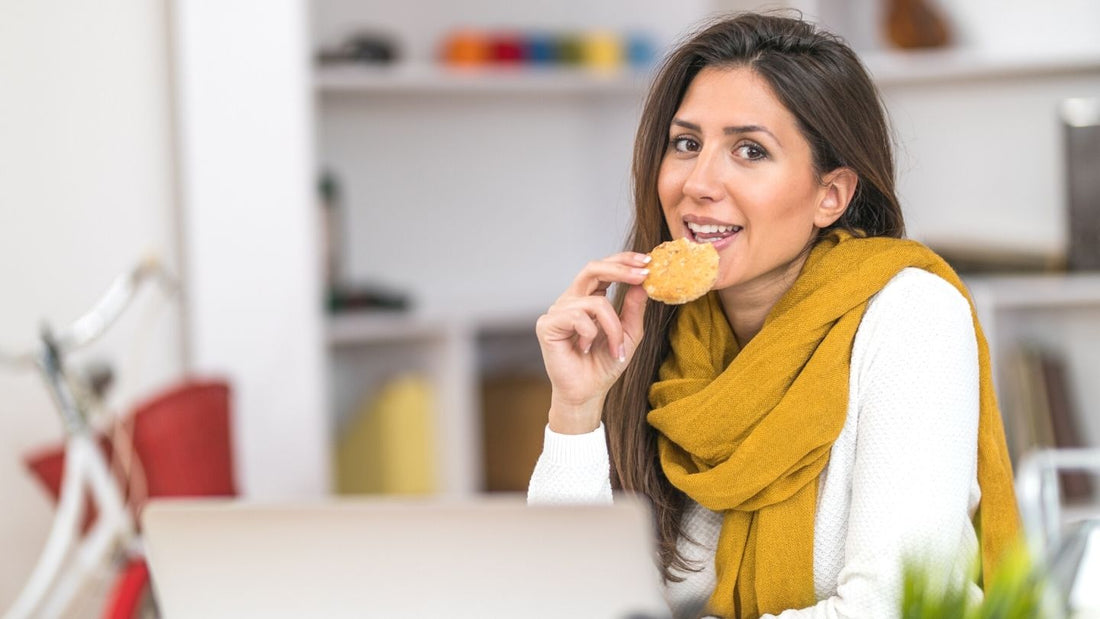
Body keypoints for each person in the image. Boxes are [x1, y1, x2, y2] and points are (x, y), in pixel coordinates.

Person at [527, 12, 1021, 619]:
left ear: (830, 195)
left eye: (750, 150)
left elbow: (890, 607)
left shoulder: (911, 316)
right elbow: (568, 599)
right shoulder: (658, 339)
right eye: (686, 144)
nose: (698, 182)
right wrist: (576, 409)